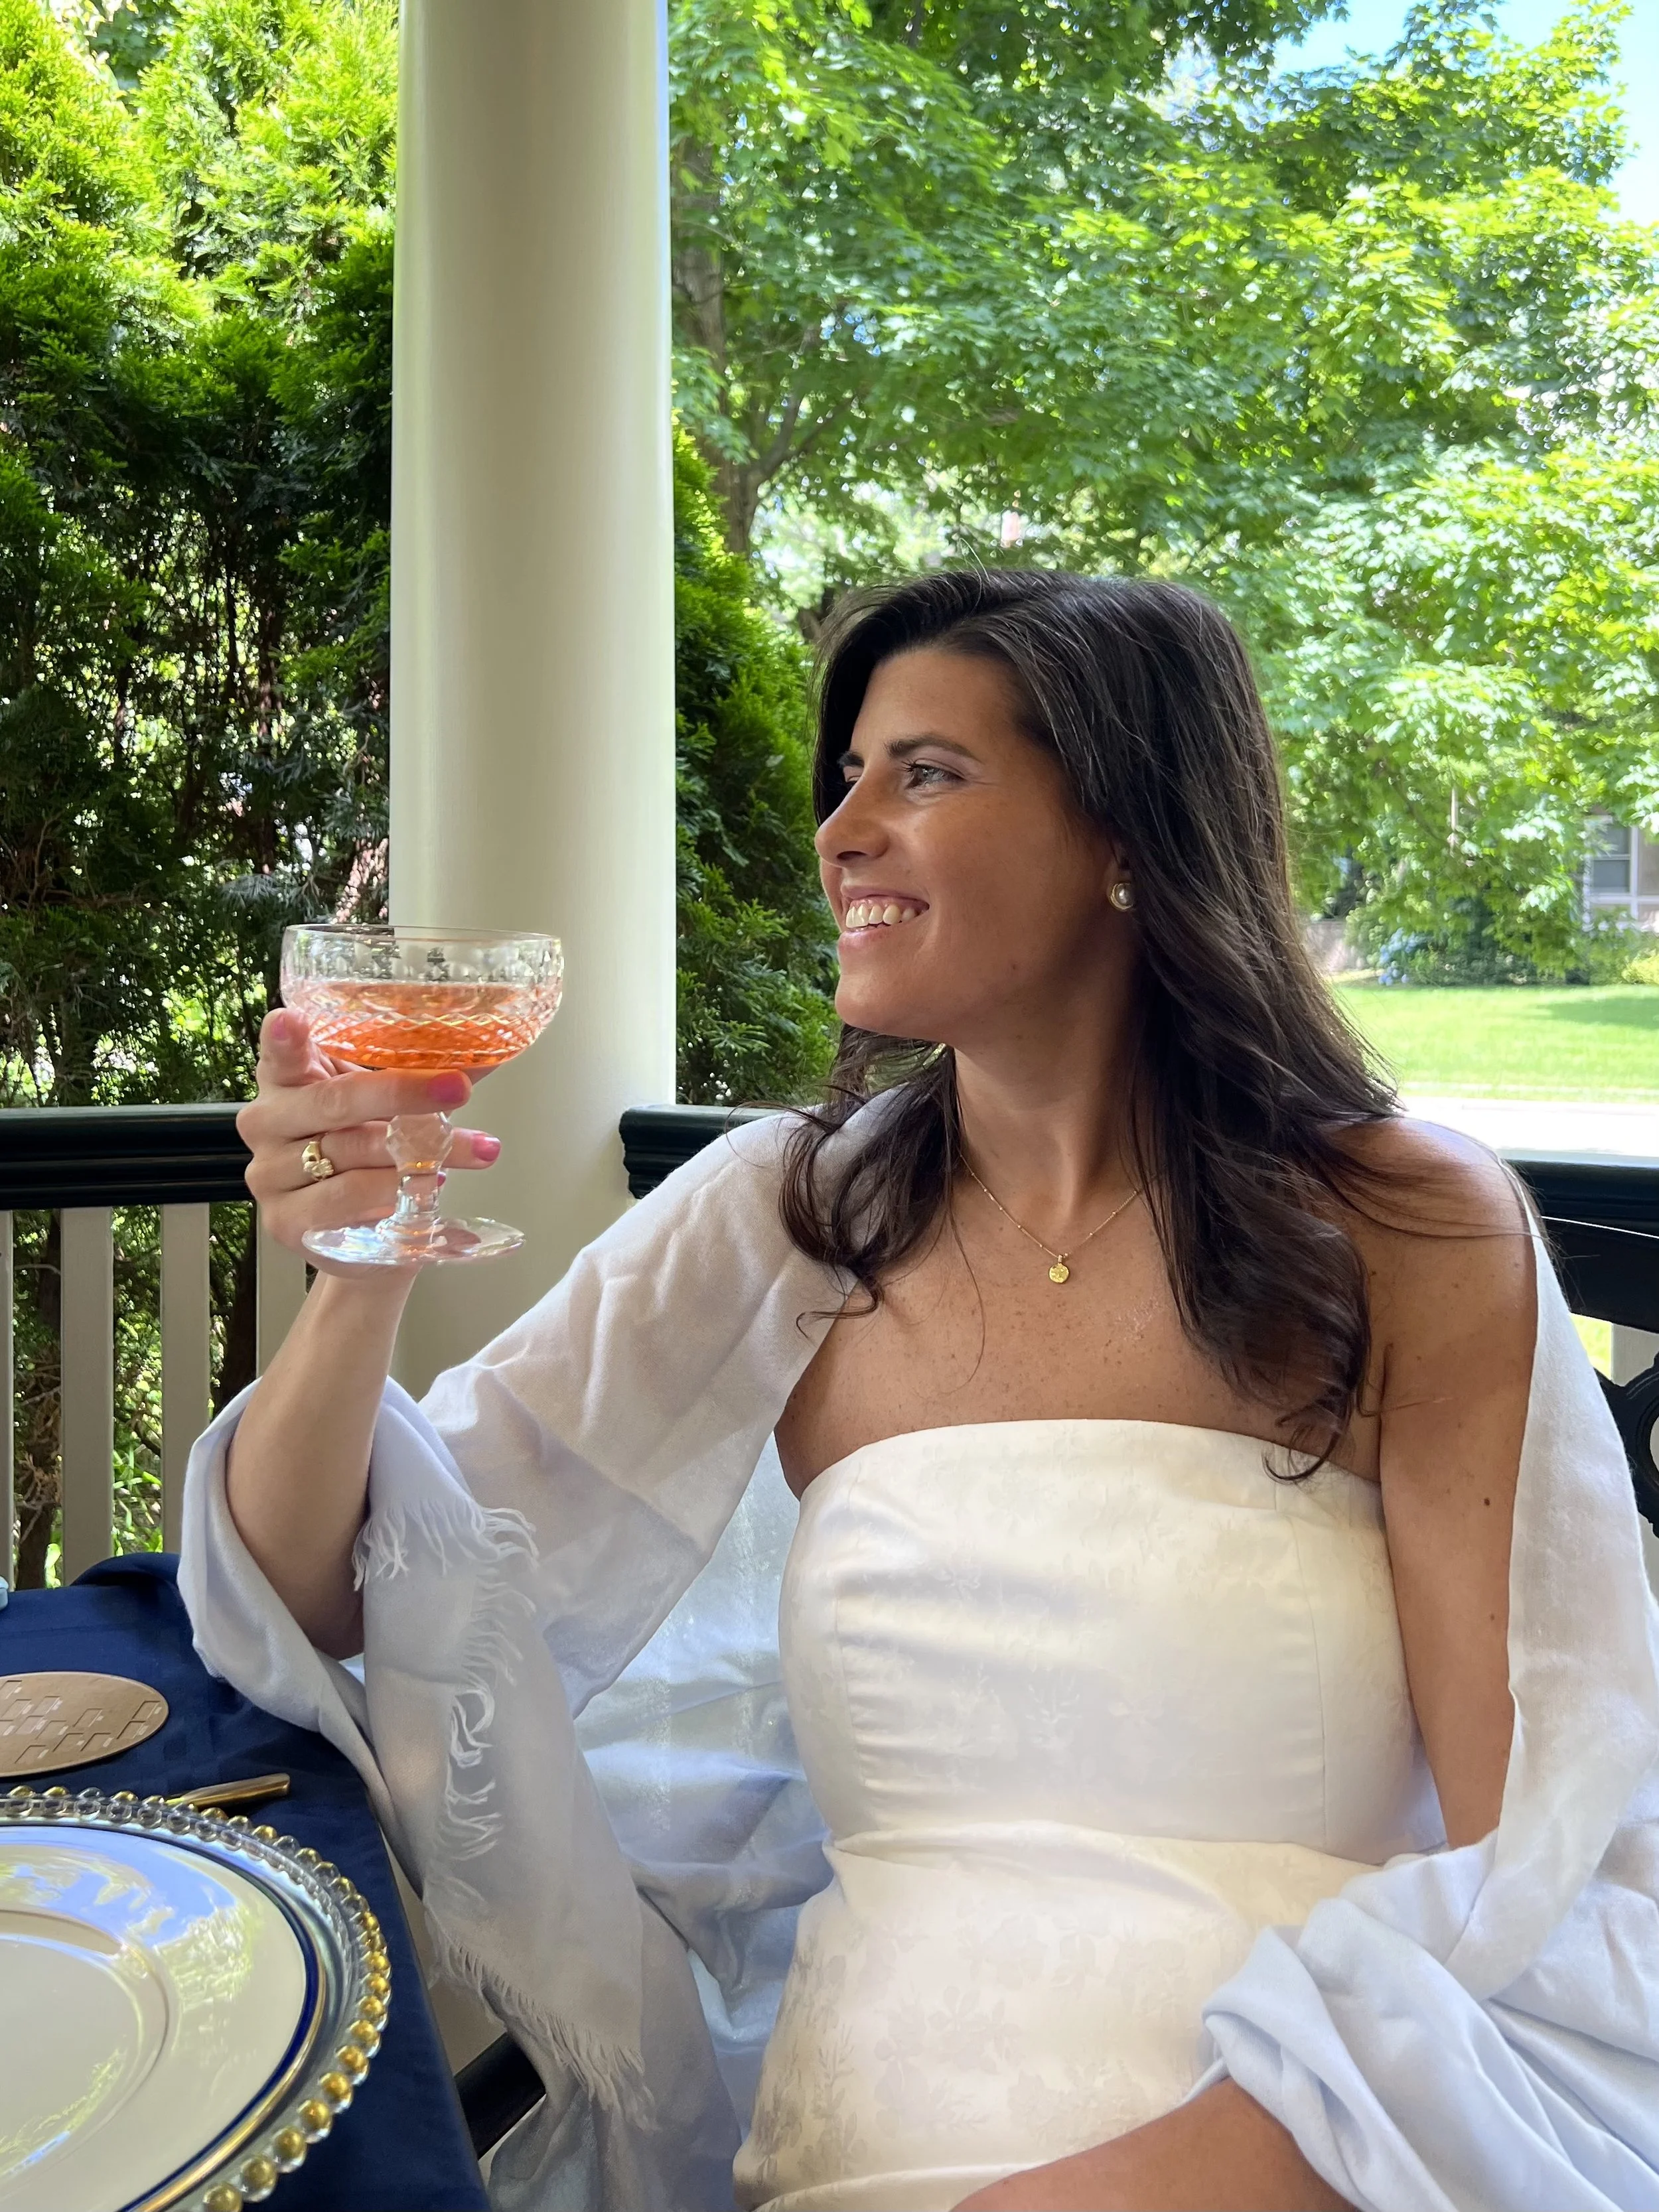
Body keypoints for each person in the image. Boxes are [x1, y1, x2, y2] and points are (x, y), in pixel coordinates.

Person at [182, 569, 1659, 2212]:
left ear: (1127, 834)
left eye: (925, 773)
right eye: (846, 780)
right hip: (852, 2153)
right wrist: (361, 1275)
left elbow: (1544, 1859)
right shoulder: (787, 1218)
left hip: (1312, 2148)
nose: (840, 834)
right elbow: (326, 1583)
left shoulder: (1402, 1229)